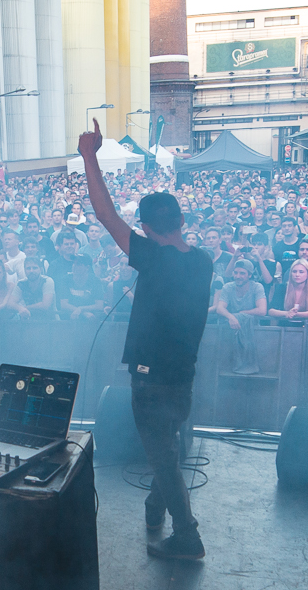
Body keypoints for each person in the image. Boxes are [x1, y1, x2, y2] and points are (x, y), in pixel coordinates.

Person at [78, 121, 212, 562]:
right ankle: (156, 507)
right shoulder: (204, 261)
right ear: (182, 222)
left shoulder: (152, 258)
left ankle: (187, 536)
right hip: (183, 377)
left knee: (162, 458)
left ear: (147, 229)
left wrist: (89, 156)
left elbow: (105, 215)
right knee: (166, 447)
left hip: (152, 379)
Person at [214, 259, 268, 373]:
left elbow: (262, 310)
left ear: (249, 275)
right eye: (236, 272)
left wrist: (241, 314)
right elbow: (220, 308)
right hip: (231, 330)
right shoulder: (228, 287)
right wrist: (231, 317)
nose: (238, 276)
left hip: (253, 331)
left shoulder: (257, 287)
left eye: (242, 273)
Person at [272, 257, 308, 322]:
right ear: (290, 273)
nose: (297, 275)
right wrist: (286, 313)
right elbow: (271, 311)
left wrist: (296, 314)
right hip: (286, 326)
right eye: (294, 271)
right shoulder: (282, 287)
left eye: (301, 272)